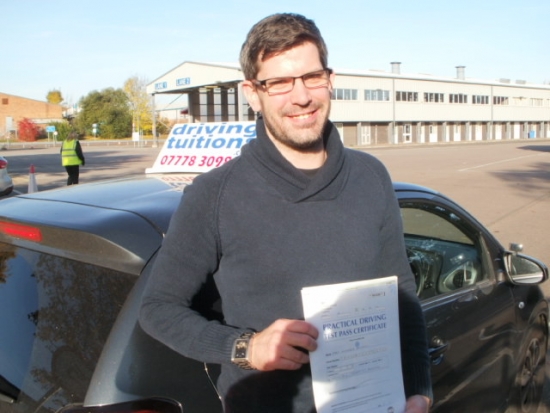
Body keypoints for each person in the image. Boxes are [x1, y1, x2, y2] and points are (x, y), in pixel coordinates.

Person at [140, 13, 432, 413]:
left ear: (329, 80)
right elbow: (158, 309)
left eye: (312, 77)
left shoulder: (371, 176)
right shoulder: (214, 196)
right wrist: (246, 347)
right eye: (278, 83)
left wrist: (418, 387)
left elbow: (402, 292)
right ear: (252, 93)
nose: (301, 97)